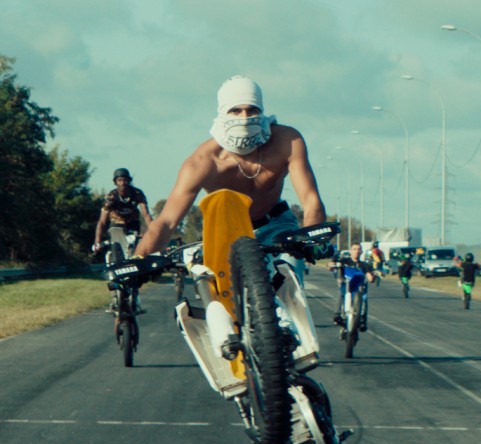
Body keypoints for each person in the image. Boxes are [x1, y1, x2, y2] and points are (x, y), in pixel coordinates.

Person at [135, 75, 327, 276]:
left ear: (262, 111)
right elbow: (167, 221)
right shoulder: (202, 162)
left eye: (252, 110)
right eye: (235, 110)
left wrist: (312, 239)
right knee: (214, 285)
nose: (244, 118)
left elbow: (311, 201)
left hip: (275, 226)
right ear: (222, 113)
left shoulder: (287, 141)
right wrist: (137, 262)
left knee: (288, 274)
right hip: (224, 232)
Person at [94, 168, 153, 313]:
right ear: (115, 182)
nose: (122, 183)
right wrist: (97, 241)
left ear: (129, 181)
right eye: (119, 180)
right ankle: (116, 295)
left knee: (136, 255)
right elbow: (102, 221)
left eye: (125, 180)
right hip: (117, 224)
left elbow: (146, 215)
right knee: (116, 250)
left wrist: (153, 233)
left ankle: (135, 294)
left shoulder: (137, 193)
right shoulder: (111, 197)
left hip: (133, 224)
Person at [328, 242, 376, 331]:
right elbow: (331, 267)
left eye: (358, 249)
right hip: (346, 286)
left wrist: (374, 275)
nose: (356, 251)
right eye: (354, 249)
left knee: (364, 297)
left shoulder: (364, 265)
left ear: (361, 251)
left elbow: (370, 279)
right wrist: (331, 264)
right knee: (341, 292)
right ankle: (337, 315)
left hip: (358, 289)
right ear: (350, 251)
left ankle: (362, 320)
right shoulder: (344, 261)